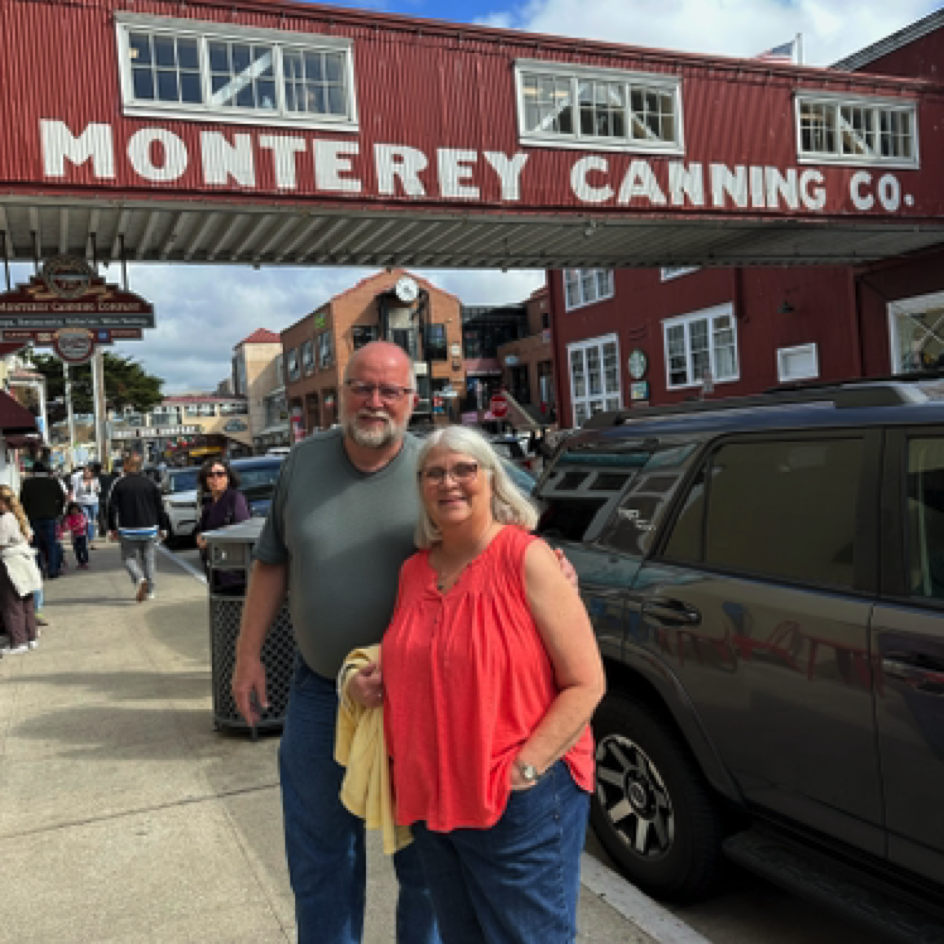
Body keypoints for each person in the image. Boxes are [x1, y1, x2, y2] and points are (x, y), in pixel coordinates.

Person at [362, 427, 604, 944]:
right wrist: (374, 681)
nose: (449, 482)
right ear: (422, 488)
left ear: (491, 480)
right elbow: (430, 653)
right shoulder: (414, 572)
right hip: (434, 801)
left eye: (463, 469)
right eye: (434, 473)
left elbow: (586, 682)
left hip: (516, 800)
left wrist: (527, 768)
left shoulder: (527, 559)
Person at [107, 453, 169, 603]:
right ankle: (151, 590)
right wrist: (163, 527)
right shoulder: (150, 483)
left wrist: (112, 528)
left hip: (128, 529)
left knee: (128, 558)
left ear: (127, 466)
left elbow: (111, 508)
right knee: (149, 559)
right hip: (149, 527)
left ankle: (139, 578)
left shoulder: (119, 484)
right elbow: (159, 507)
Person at [194, 457, 250, 592]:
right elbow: (202, 528)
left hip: (234, 572)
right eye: (210, 475)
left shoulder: (235, 499)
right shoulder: (207, 503)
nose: (215, 479)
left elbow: (243, 529)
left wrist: (214, 540)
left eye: (220, 474)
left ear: (228, 477)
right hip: (214, 569)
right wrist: (199, 537)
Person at [0, 485, 43, 655]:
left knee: (11, 603)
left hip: (10, 562)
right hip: (25, 559)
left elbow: (1, 542)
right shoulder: (20, 516)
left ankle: (18, 641)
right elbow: (29, 536)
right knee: (27, 601)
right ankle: (31, 637)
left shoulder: (5, 519)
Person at [20, 461, 66, 579]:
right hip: (51, 517)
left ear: (33, 471)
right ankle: (53, 570)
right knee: (51, 544)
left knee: (35, 545)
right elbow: (61, 498)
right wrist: (57, 511)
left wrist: (27, 513)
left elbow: (22, 501)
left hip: (34, 518)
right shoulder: (53, 482)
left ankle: (38, 570)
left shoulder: (27, 483)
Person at [74, 465, 101, 544]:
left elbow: (99, 490)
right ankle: (90, 539)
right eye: (85, 471)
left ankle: (90, 535)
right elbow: (75, 491)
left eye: (88, 471)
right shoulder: (79, 480)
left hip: (94, 502)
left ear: (91, 473)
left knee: (92, 521)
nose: (86, 473)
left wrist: (97, 488)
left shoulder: (95, 480)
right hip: (83, 503)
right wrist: (74, 501)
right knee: (87, 521)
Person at [63, 501, 90, 569]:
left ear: (78, 509)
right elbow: (67, 525)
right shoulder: (69, 517)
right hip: (74, 536)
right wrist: (67, 527)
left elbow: (83, 523)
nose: (74, 511)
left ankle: (85, 562)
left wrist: (75, 528)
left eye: (75, 509)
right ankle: (80, 562)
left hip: (82, 535)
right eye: (72, 509)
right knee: (76, 550)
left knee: (83, 549)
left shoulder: (81, 515)